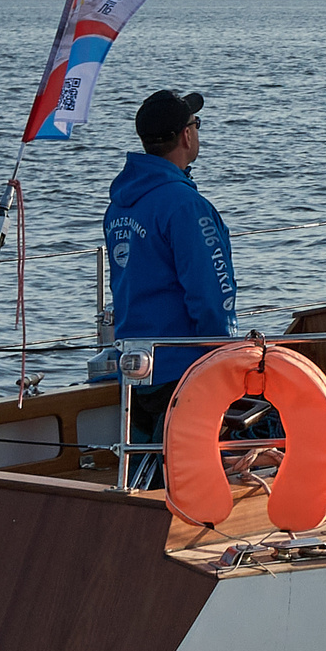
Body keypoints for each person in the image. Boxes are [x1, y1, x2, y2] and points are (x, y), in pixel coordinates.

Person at [104, 89, 237, 476]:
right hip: (182, 367)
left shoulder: (120, 204)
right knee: (186, 472)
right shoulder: (185, 206)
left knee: (146, 469)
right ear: (186, 136)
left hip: (134, 365)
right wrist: (224, 357)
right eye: (196, 124)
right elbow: (211, 294)